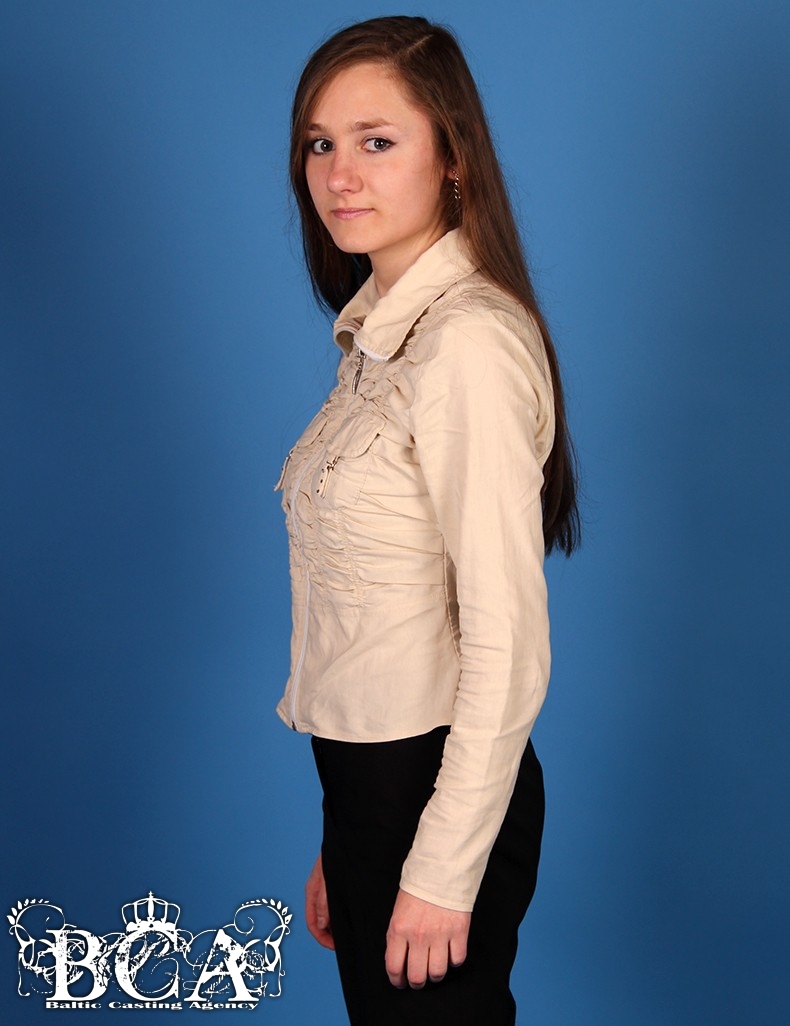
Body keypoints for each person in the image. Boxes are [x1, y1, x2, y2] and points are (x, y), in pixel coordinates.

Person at [275, 15, 580, 1025]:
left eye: (376, 141)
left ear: (453, 156)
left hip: (434, 794)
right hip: (372, 790)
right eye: (320, 144)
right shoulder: (381, 337)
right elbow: (384, 613)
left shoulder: (465, 346)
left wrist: (442, 866)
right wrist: (345, 836)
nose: (338, 176)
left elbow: (508, 638)